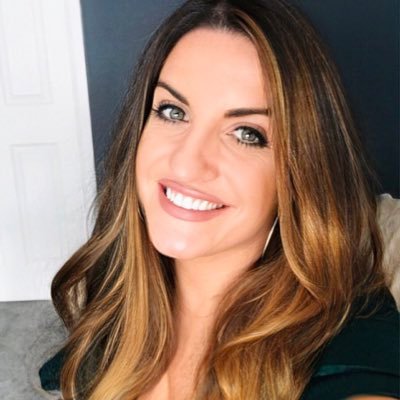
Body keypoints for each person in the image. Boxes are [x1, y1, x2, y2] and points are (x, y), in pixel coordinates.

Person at [39, 0, 399, 399]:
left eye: (247, 134)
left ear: (301, 172)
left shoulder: (351, 347)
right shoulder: (116, 299)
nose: (187, 163)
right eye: (173, 111)